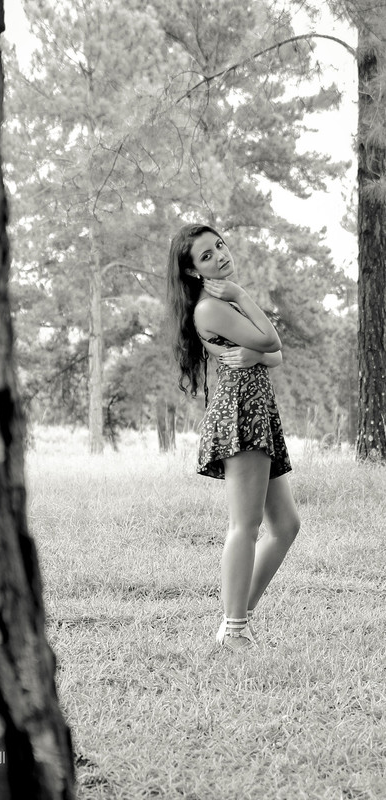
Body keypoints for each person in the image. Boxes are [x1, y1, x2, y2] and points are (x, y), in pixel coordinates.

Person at [167, 223, 300, 651]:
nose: (220, 255)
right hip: (240, 412)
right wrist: (241, 296)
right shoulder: (212, 307)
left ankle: (236, 620)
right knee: (246, 524)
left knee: (285, 525)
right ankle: (235, 627)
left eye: (219, 245)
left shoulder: (219, 301)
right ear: (192, 272)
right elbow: (271, 339)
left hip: (256, 409)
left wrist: (259, 351)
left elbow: (274, 355)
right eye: (206, 255)